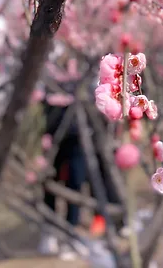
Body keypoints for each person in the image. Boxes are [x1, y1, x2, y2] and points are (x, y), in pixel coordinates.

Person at [39, 90, 120, 257]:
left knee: (75, 183)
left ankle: (72, 232)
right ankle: (50, 230)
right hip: (52, 134)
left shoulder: (84, 75)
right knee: (49, 183)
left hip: (77, 136)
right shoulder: (48, 74)